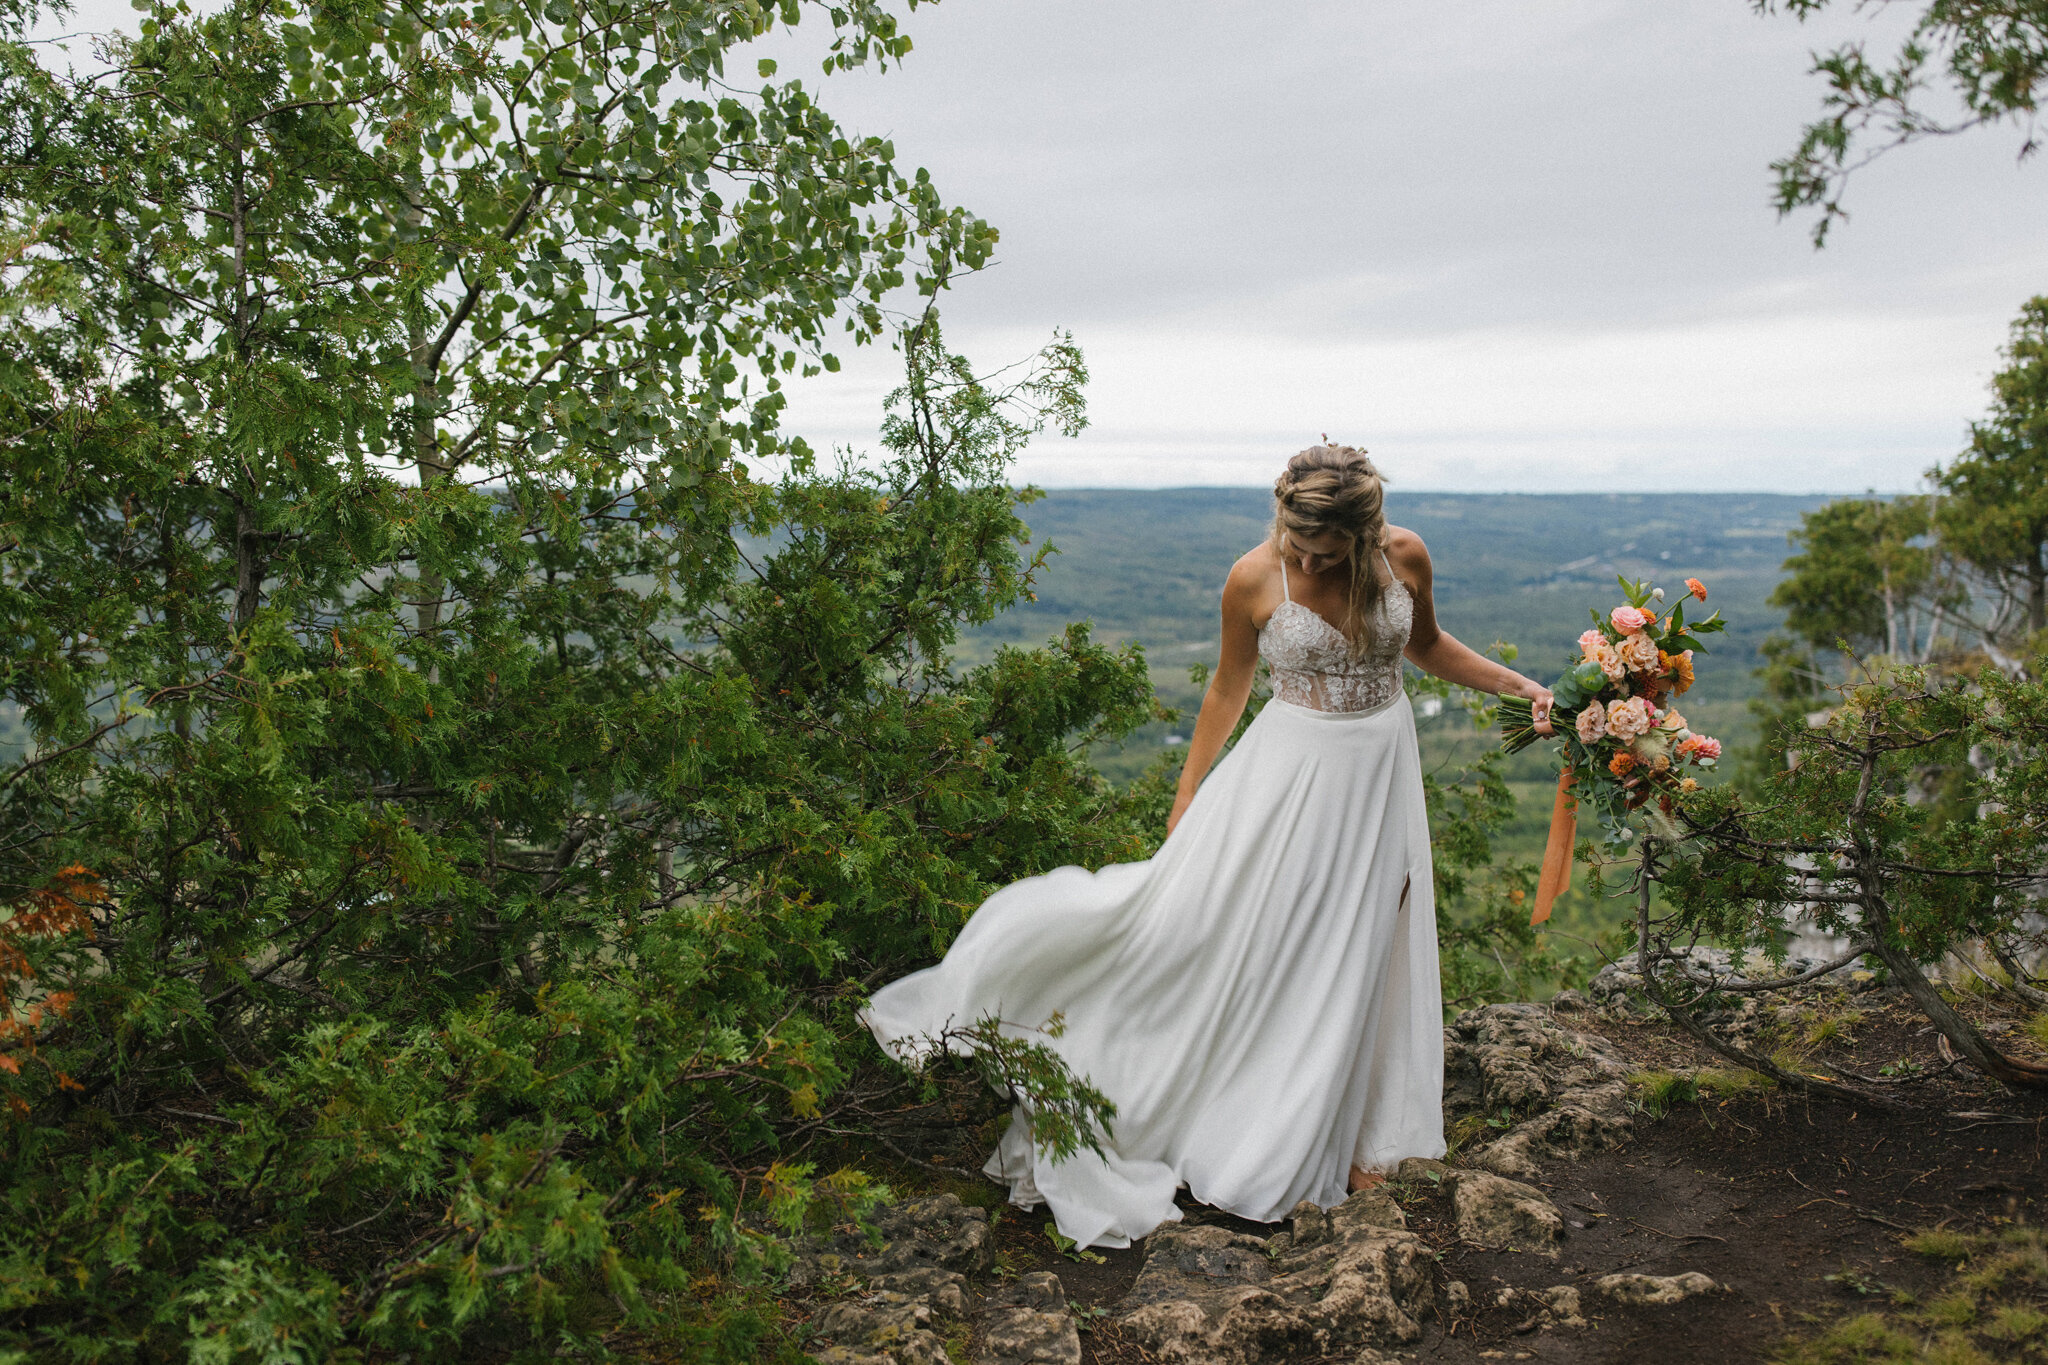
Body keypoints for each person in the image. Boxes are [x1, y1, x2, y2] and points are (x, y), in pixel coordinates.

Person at [860, 443, 1557, 1249]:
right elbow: (1229, 684)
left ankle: (1354, 1133)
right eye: (1295, 542)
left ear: (1364, 535)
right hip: (1287, 777)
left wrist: (1520, 686)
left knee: (1362, 942)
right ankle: (1228, 1113)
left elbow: (1426, 645)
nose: (1303, 558)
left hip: (1379, 773)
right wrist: (1189, 789)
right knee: (1245, 939)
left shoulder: (1406, 556)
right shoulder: (1254, 578)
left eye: (1322, 551)